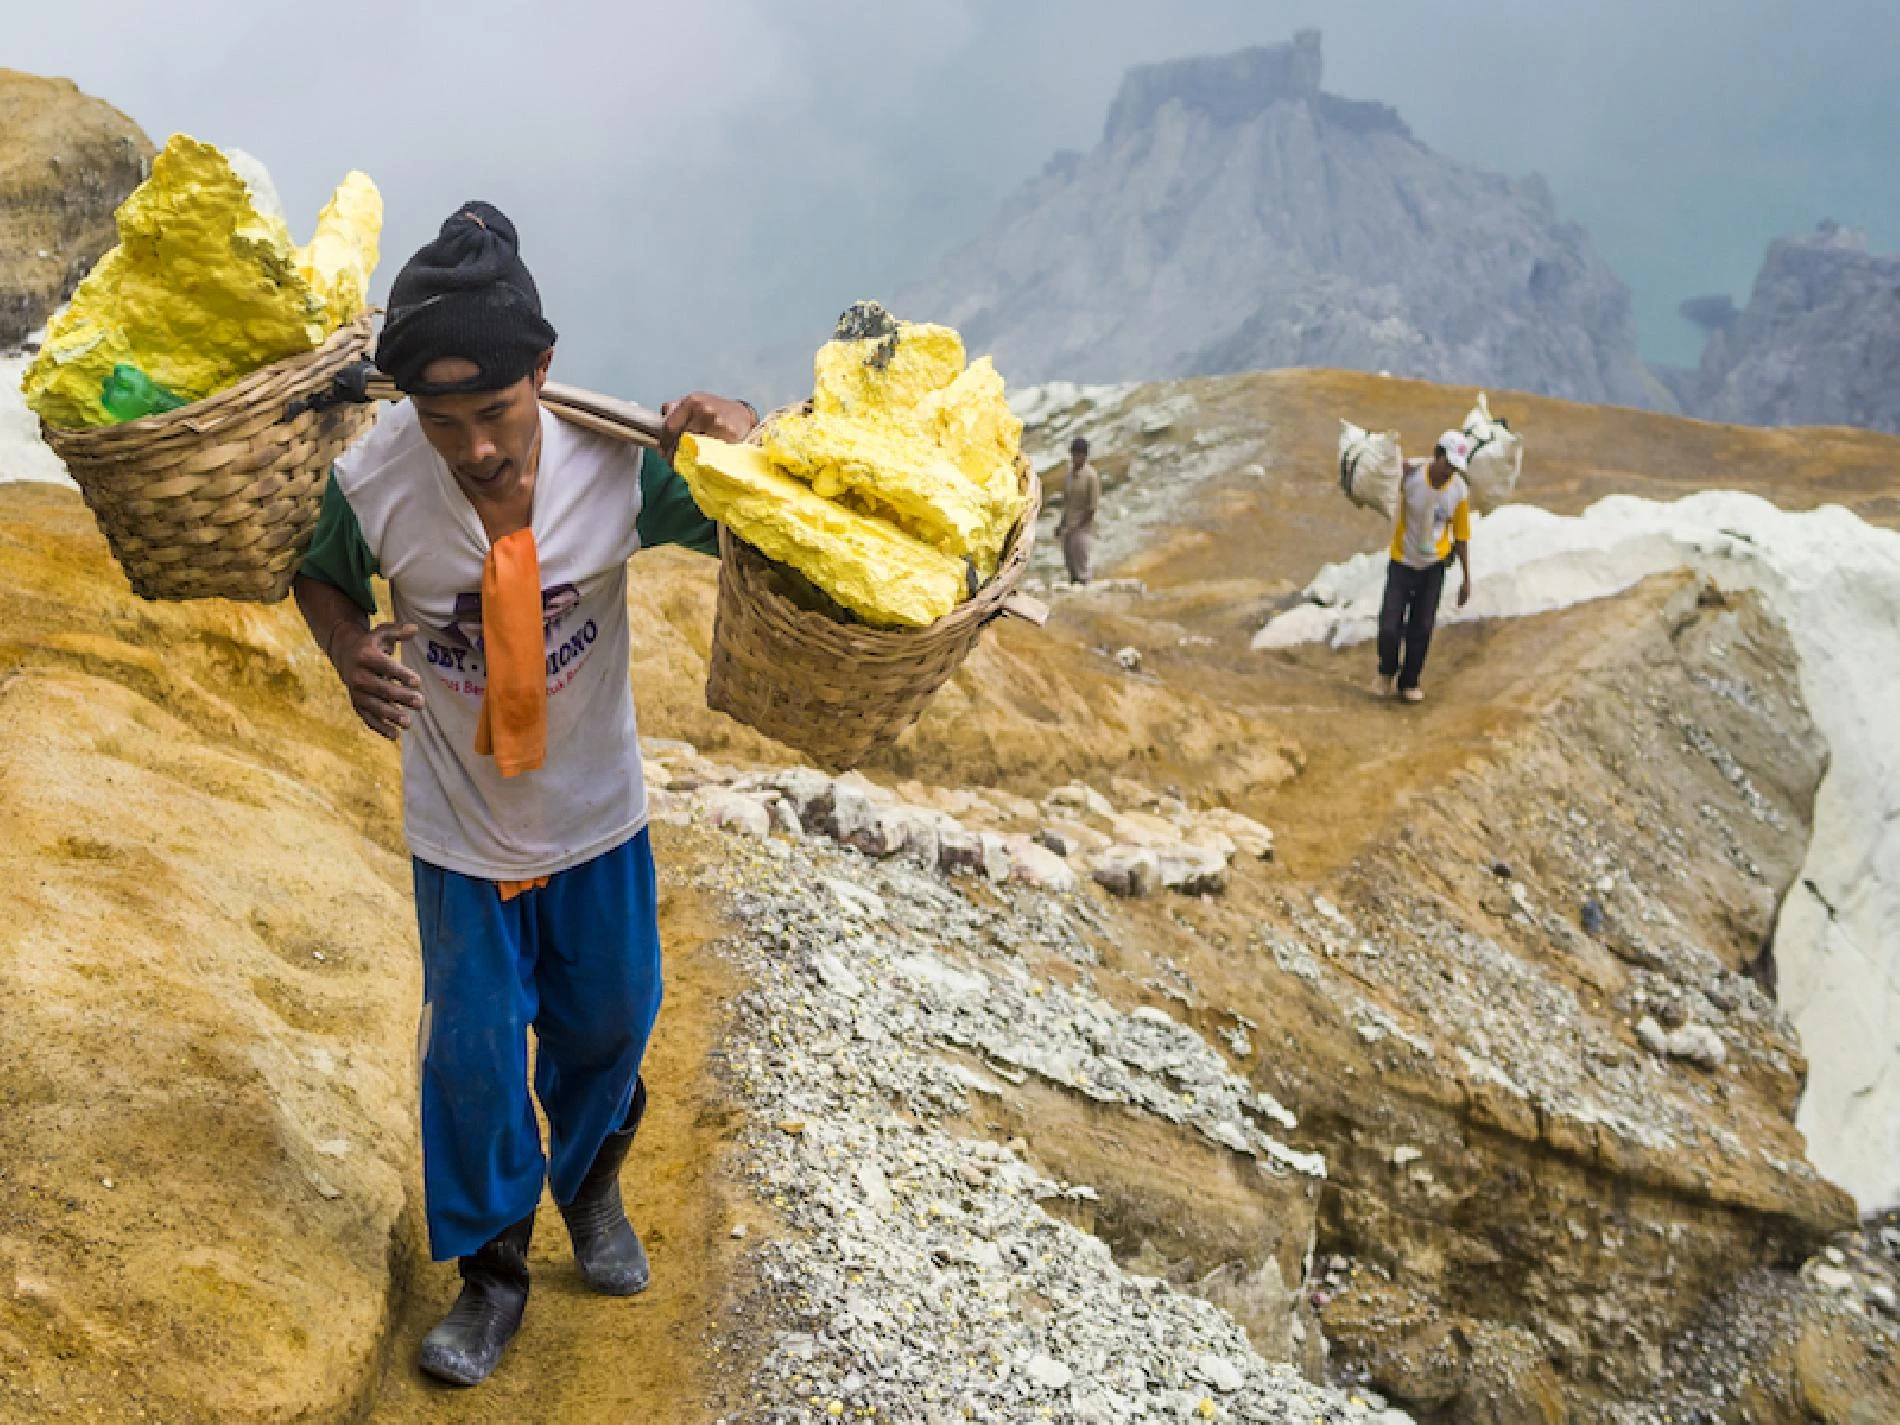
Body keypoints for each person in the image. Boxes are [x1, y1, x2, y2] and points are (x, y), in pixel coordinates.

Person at [290, 202, 755, 1388]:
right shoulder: (376, 482)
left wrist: (743, 443)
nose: (476, 448)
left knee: (610, 1020)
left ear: (542, 371)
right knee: (478, 1056)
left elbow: (771, 521)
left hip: (597, 814)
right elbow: (319, 576)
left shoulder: (621, 461)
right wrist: (350, 654)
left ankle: (592, 1187)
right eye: (441, 421)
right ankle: (492, 1273)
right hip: (460, 827)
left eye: (494, 413)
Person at [1375, 430, 1475, 703]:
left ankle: (1409, 681)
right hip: (1402, 560)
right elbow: (1382, 481)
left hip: (1433, 566)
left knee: (1421, 626)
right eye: (1447, 464)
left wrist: (1467, 578)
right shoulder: (1411, 477)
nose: (1449, 472)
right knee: (1389, 626)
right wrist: (1397, 469)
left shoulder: (1459, 491)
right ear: (1437, 454)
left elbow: (1462, 534)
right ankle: (1386, 671)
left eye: (1455, 467)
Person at [1054, 435, 1101, 583]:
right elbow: (1066, 503)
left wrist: (1076, 527)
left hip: (1081, 529)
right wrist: (1061, 525)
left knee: (1082, 566)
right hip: (1068, 527)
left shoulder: (1091, 477)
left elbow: (1091, 508)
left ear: (1085, 456)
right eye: (1074, 454)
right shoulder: (1069, 474)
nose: (1076, 458)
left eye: (1079, 454)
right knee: (1070, 565)